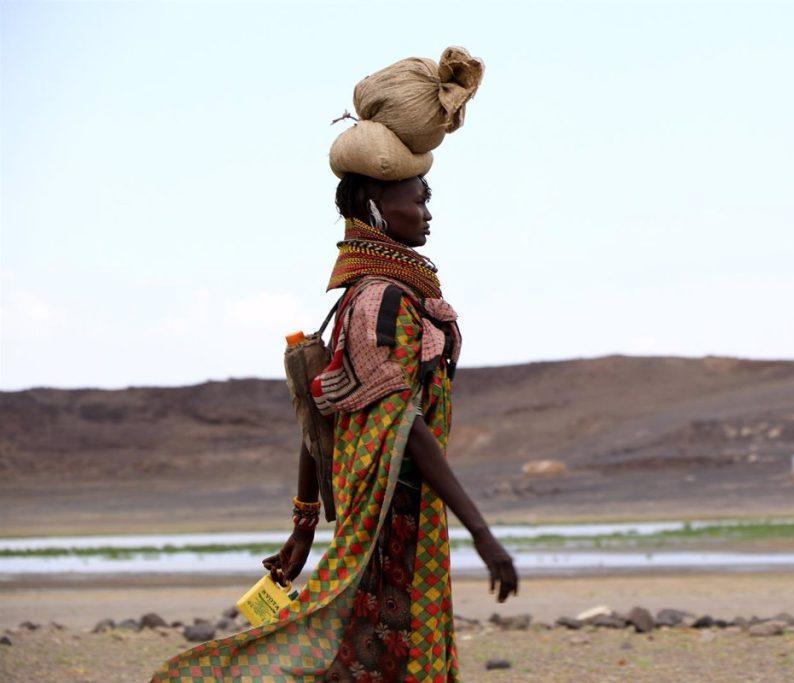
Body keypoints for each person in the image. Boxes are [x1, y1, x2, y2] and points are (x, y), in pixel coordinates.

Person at [151, 172, 518, 682]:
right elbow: (404, 425)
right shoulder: (380, 302)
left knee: (370, 656)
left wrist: (303, 528)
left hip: (396, 515)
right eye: (419, 201)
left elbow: (319, 412)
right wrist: (482, 533)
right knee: (378, 658)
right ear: (374, 207)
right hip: (390, 519)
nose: (428, 214)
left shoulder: (377, 298)